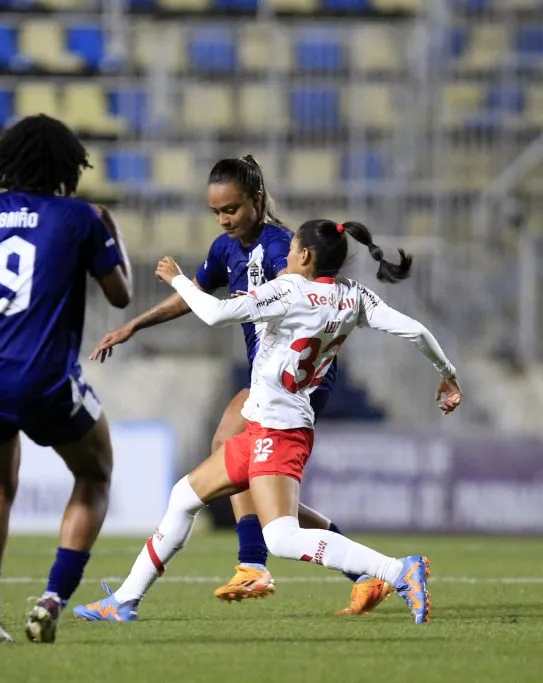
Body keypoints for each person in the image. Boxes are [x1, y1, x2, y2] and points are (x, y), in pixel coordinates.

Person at [74, 218, 462, 625]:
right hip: (267, 423)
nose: (286, 256)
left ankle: (397, 571)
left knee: (281, 537)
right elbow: (416, 330)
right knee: (184, 497)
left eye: (292, 249)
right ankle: (124, 601)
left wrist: (178, 279)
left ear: (305, 255)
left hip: (279, 430)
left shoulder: (289, 290)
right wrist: (447, 374)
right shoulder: (354, 295)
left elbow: (215, 313)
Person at [90, 156, 390, 615]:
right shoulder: (226, 248)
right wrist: (135, 324)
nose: (224, 219)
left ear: (257, 200)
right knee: (256, 484)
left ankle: (253, 563)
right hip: (264, 378)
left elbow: (316, 301)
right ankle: (362, 573)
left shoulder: (282, 249)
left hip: (294, 382)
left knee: (228, 450)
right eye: (216, 211)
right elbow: (194, 294)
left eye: (231, 209)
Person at [0, 114, 132, 644]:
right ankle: (52, 597)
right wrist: (111, 231)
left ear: (7, 162)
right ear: (68, 166)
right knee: (95, 474)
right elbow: (121, 296)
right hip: (43, 377)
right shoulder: (80, 217)